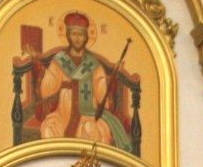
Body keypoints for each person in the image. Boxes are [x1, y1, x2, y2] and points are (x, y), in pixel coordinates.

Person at [37, 12, 132, 150]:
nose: (77, 38)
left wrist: (110, 80)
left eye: (81, 35)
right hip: (62, 114)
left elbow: (101, 93)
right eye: (74, 34)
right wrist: (47, 73)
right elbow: (46, 90)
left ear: (86, 37)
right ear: (68, 36)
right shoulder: (59, 60)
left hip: (88, 115)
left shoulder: (93, 64)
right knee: (49, 129)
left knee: (89, 130)